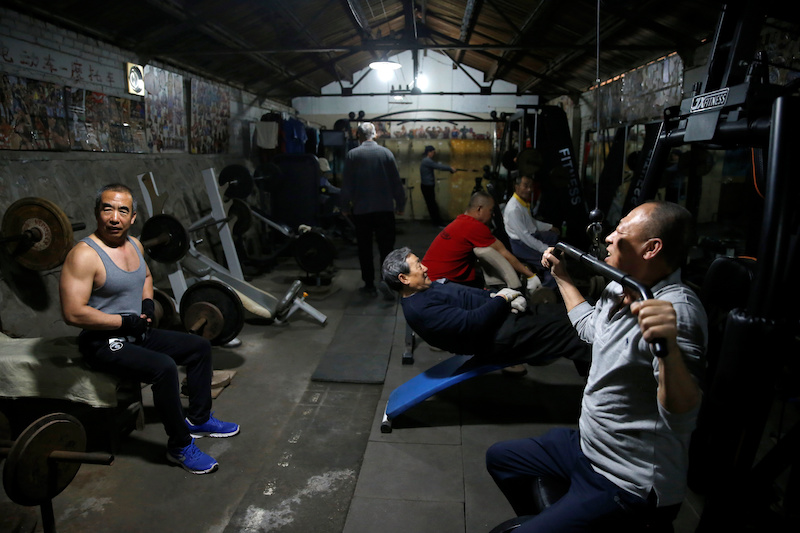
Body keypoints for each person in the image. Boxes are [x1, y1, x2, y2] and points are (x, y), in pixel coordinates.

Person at [485, 201, 708, 531]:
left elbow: (682, 413)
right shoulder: (621, 284)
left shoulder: (677, 310)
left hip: (625, 479)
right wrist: (561, 278)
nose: (609, 238)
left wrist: (669, 350)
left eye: (620, 231)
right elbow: (592, 329)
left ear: (651, 248)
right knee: (502, 458)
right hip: (588, 447)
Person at [59, 183, 239, 475]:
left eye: (122, 211)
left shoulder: (134, 245)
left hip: (137, 332)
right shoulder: (84, 255)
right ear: (97, 213)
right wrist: (123, 321)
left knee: (200, 347)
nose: (114, 217)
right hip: (104, 342)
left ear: (133, 218)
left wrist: (145, 304)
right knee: (164, 367)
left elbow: (144, 275)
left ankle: (199, 418)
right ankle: (179, 446)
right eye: (107, 209)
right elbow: (72, 312)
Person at [381, 247, 590, 368]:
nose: (425, 268)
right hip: (499, 336)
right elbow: (473, 323)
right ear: (404, 278)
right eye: (418, 265)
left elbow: (465, 294)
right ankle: (602, 379)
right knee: (571, 332)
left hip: (502, 317)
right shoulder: (420, 310)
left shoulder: (425, 288)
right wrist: (502, 300)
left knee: (566, 314)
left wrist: (495, 295)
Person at [423, 190, 542, 293]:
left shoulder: (461, 221)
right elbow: (504, 253)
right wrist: (530, 275)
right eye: (490, 211)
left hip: (427, 277)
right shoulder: (475, 227)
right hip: (438, 284)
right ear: (479, 209)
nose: (492, 215)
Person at [340, 122, 406, 294]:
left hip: (362, 211)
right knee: (386, 247)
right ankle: (386, 281)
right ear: (375, 134)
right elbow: (396, 182)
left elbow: (347, 184)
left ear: (359, 136)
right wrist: (400, 204)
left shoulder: (352, 155)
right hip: (384, 209)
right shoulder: (386, 154)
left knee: (365, 248)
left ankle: (368, 284)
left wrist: (344, 206)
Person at [503, 175, 561, 288]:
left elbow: (531, 223)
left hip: (529, 236)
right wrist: (545, 248)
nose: (529, 189)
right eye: (525, 186)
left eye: (531, 186)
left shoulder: (522, 203)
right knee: (550, 261)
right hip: (520, 244)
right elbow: (526, 237)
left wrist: (550, 227)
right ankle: (546, 290)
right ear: (517, 187)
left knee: (554, 236)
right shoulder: (513, 209)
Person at [419, 145, 455, 226]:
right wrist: (450, 168)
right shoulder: (427, 161)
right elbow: (438, 166)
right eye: (433, 152)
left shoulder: (426, 160)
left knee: (432, 204)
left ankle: (436, 222)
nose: (433, 154)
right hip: (427, 187)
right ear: (429, 152)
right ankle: (437, 223)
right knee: (432, 205)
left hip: (427, 186)